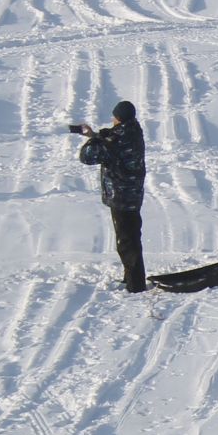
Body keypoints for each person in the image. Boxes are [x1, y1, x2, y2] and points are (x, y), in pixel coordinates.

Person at [74, 100, 147, 293]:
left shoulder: (117, 140)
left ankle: (135, 285)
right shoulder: (134, 130)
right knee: (132, 237)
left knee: (126, 242)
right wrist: (98, 135)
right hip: (133, 194)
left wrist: (92, 139)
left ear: (119, 118)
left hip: (121, 196)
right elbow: (114, 140)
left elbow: (87, 156)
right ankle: (132, 278)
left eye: (115, 116)